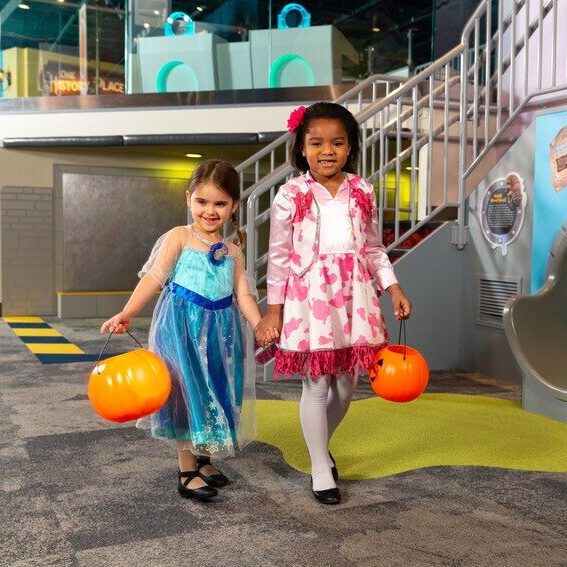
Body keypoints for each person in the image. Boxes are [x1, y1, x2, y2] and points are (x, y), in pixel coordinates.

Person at [255, 102, 412, 505]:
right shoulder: (290, 194)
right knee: (316, 383)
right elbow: (279, 256)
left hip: (355, 296)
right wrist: (274, 310)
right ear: (302, 148)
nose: (328, 150)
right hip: (309, 298)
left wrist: (392, 287)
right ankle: (320, 467)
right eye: (317, 142)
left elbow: (374, 248)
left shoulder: (362, 190)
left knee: (346, 386)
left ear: (350, 147)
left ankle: (320, 447)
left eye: (338, 142)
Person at [101, 159, 278, 502]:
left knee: (215, 389)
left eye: (220, 203)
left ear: (233, 206)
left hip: (220, 332)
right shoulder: (178, 237)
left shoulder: (234, 251)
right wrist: (127, 312)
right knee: (185, 392)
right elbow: (153, 278)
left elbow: (242, 292)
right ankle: (186, 469)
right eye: (202, 202)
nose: (210, 211)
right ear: (188, 199)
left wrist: (258, 323)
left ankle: (204, 458)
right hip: (180, 329)